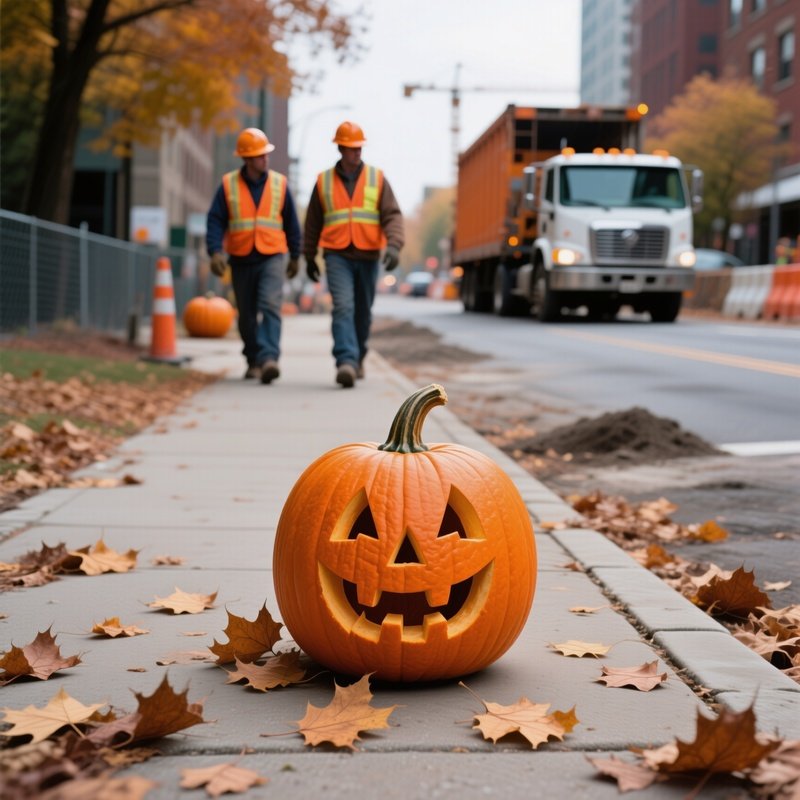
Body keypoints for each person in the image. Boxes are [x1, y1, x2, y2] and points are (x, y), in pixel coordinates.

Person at [303, 121, 404, 388]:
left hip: (369, 255)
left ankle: (358, 357)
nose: (357, 152)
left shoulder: (377, 178)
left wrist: (394, 245)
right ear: (340, 149)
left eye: (359, 147)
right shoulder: (324, 182)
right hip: (337, 255)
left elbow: (392, 215)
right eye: (351, 148)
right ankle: (346, 361)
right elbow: (313, 222)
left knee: (362, 312)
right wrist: (308, 255)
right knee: (344, 307)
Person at [206, 127, 301, 383]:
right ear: (247, 159)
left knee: (270, 305)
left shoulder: (280, 184)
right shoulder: (228, 185)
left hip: (272, 256)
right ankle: (253, 359)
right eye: (260, 156)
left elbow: (292, 222)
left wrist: (295, 255)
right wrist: (215, 251)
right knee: (246, 314)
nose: (265, 159)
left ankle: (269, 358)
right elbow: (215, 220)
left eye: (266, 155)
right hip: (240, 258)